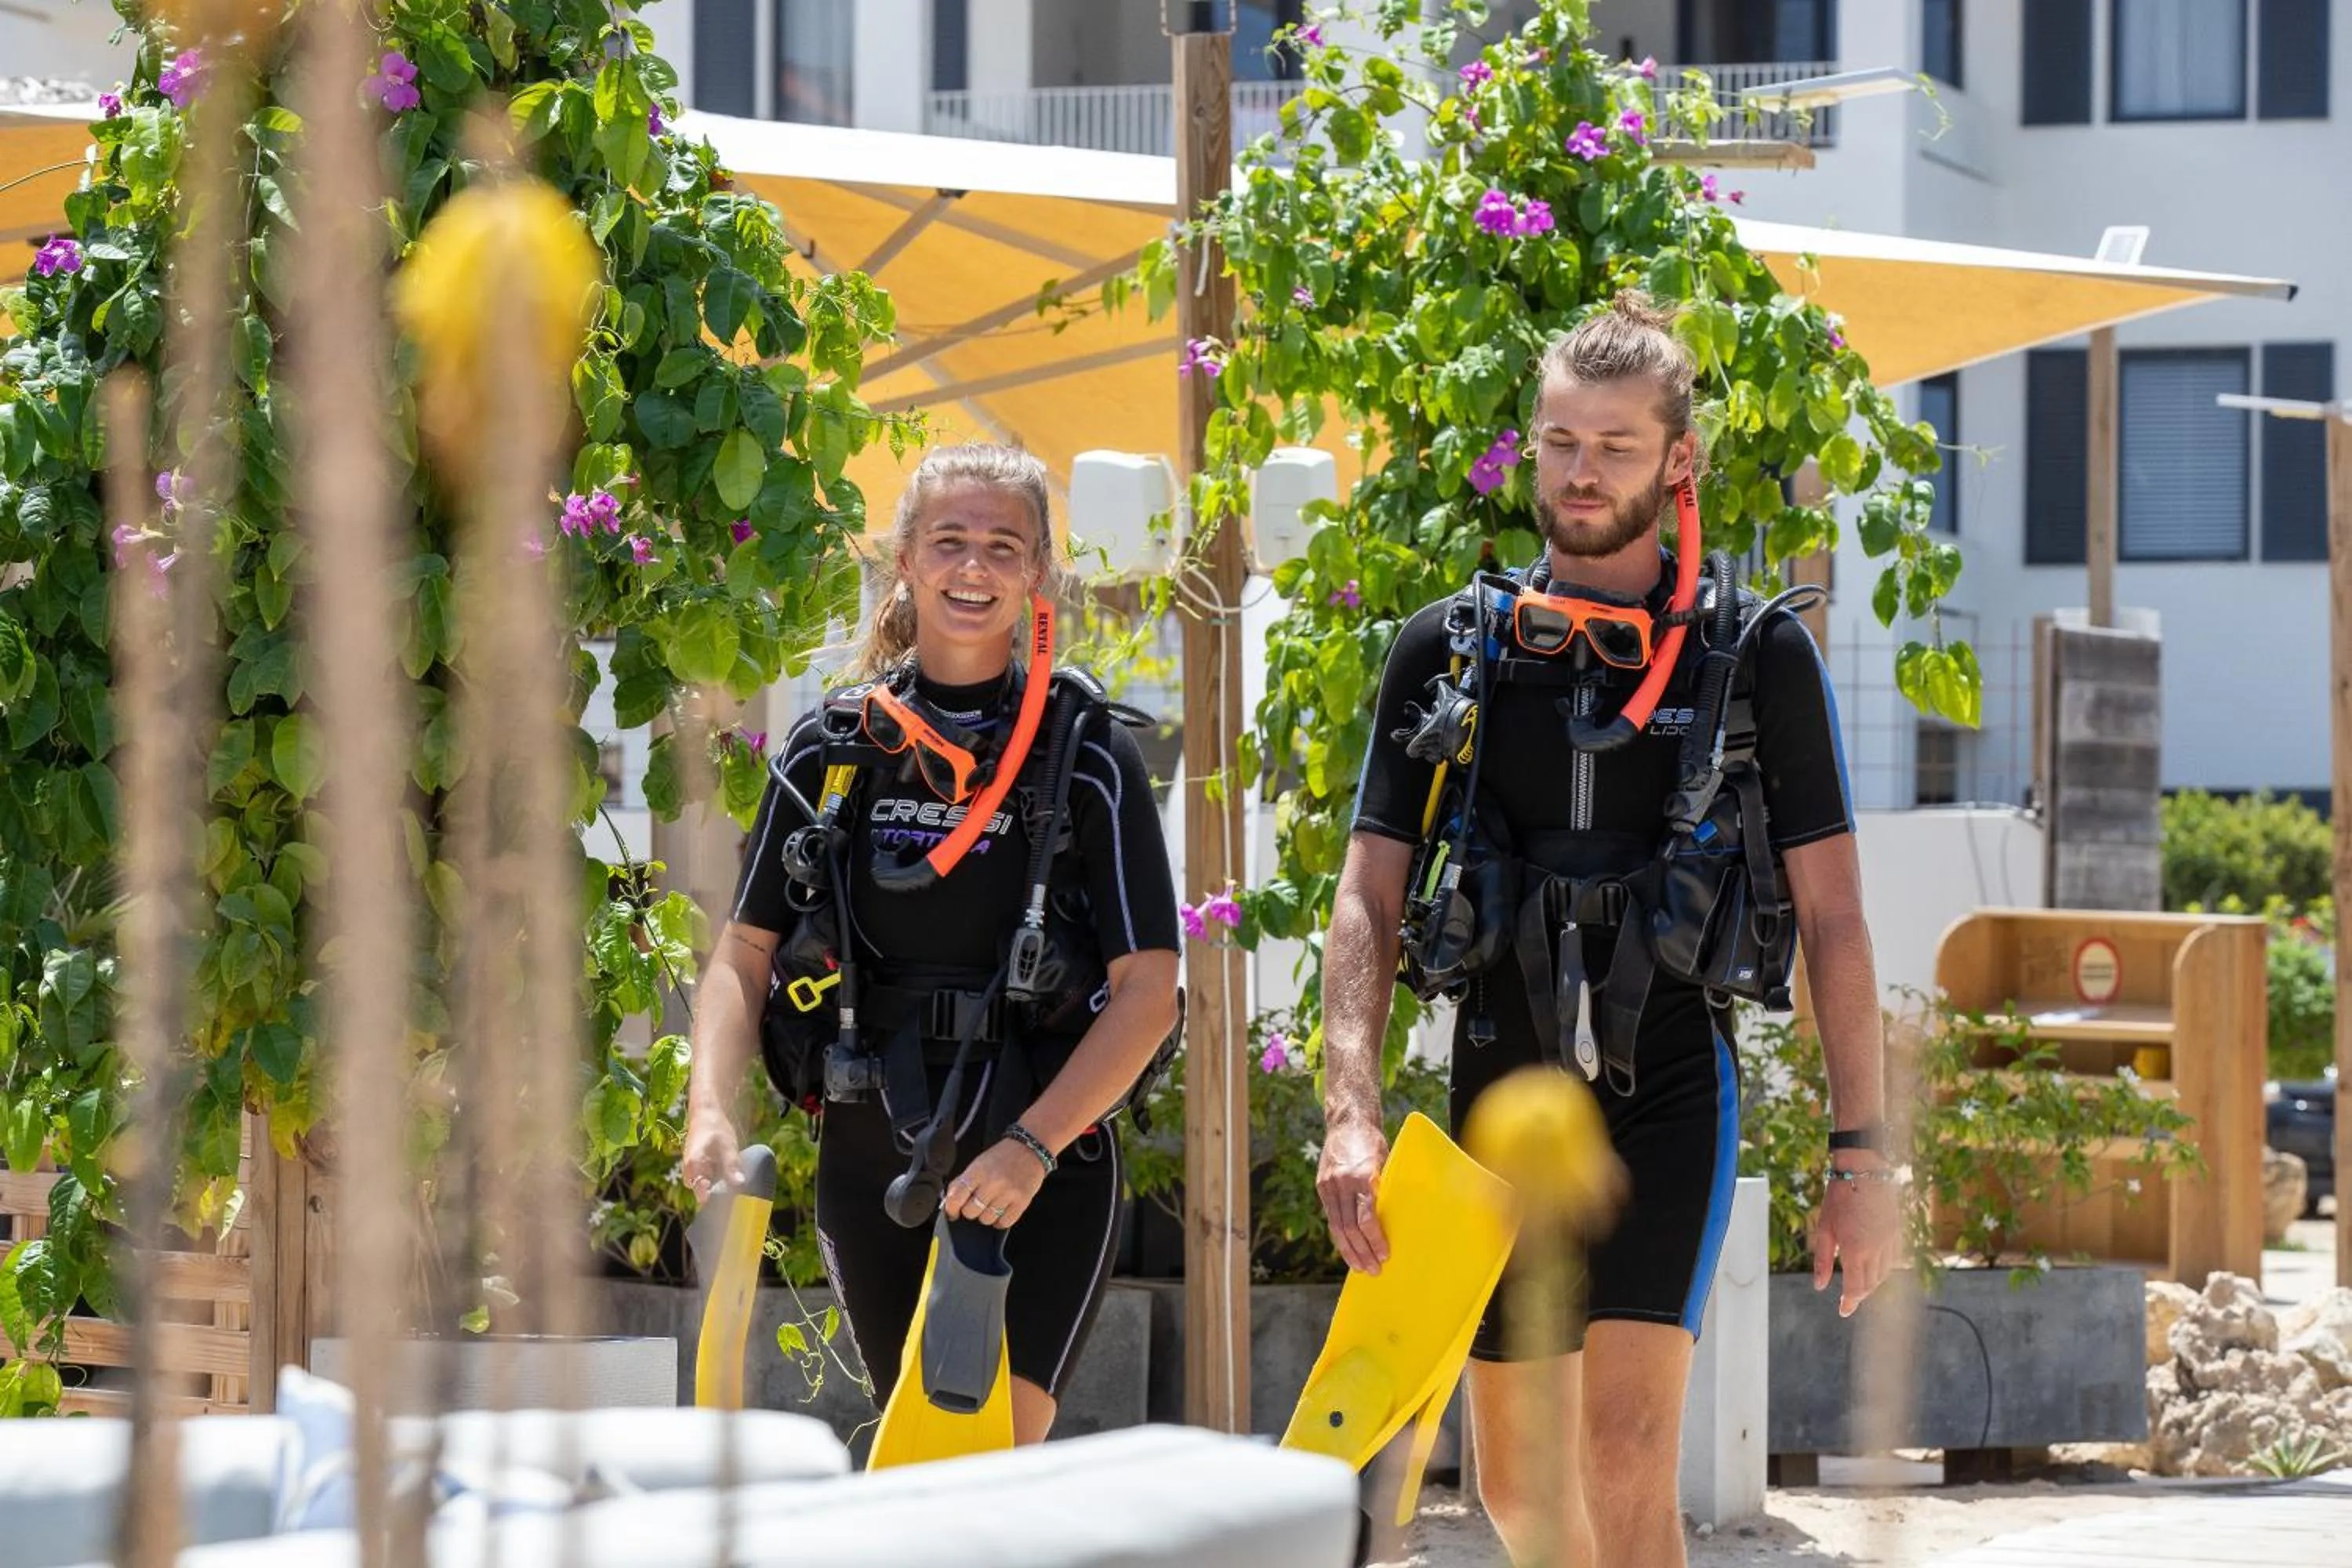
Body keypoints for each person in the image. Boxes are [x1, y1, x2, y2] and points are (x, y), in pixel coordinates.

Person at [1316, 294, 1900, 1566]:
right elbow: (1367, 896)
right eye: (1562, 441)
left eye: (1616, 446)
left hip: (1669, 1087)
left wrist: (1862, 1157)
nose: (1582, 473)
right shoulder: (1450, 650)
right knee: (1525, 1496)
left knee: (1625, 1456)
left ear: (1679, 459)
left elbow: (1837, 916)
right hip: (1499, 1086)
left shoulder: (1755, 657)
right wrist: (1349, 1107)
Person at [683, 441, 1182, 1445]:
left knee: (992, 1456)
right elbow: (744, 955)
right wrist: (708, 1110)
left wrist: (1032, 1146)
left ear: (1037, 572)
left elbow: (1151, 988)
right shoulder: (834, 747)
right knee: (920, 1457)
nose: (974, 567)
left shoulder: (1088, 754)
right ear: (905, 558)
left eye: (1003, 546)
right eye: (950, 540)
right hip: (873, 1152)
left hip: (1045, 1156)